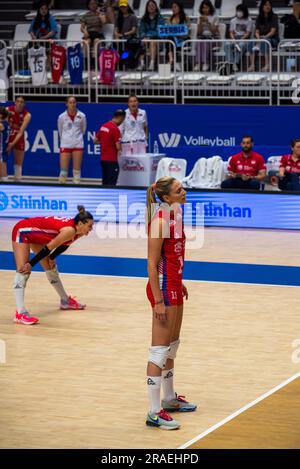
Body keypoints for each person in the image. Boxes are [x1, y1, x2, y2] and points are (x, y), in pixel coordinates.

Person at [145, 177, 196, 430]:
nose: (183, 191)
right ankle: (154, 413)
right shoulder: (161, 222)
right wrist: (158, 300)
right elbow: (152, 265)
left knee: (172, 346)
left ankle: (168, 398)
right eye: (179, 190)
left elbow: (173, 257)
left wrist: (179, 281)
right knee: (159, 350)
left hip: (173, 285)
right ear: (166, 198)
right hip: (163, 289)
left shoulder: (175, 215)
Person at [11, 205, 94, 325]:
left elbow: (64, 245)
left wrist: (52, 257)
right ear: (80, 223)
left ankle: (65, 301)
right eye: (90, 226)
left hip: (36, 236)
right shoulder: (69, 230)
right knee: (23, 271)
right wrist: (31, 264)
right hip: (23, 231)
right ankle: (20, 313)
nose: (91, 229)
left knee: (51, 268)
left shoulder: (79, 232)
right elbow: (49, 247)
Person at [57, 96, 87, 184]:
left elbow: (83, 130)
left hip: (78, 144)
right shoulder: (61, 117)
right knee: (63, 173)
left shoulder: (82, 116)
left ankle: (77, 192)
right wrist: (66, 139)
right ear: (66, 104)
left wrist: (76, 138)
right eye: (70, 102)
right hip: (65, 144)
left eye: (74, 102)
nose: (72, 104)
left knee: (77, 172)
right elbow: (60, 131)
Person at [94, 109, 126, 185]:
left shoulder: (103, 126)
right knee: (111, 183)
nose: (122, 122)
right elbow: (118, 147)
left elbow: (95, 141)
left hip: (103, 160)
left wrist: (106, 142)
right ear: (121, 118)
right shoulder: (115, 129)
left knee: (105, 181)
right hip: (112, 160)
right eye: (123, 120)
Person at [6, 96, 32, 182]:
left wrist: (12, 144)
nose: (19, 103)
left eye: (22, 102)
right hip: (7, 136)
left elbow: (21, 132)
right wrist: (7, 143)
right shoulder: (7, 110)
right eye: (18, 101)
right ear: (15, 102)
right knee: (2, 160)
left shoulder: (27, 115)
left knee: (18, 164)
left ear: (24, 104)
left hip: (18, 138)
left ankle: (17, 181)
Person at [248, 0, 279, 72]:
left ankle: (267, 65)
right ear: (262, 6)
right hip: (261, 38)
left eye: (269, 5)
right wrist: (259, 39)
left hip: (272, 39)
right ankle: (252, 65)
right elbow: (257, 31)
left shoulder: (274, 16)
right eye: (265, 5)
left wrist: (264, 38)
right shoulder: (259, 17)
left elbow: (272, 31)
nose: (268, 7)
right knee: (250, 43)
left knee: (265, 42)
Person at [224, 4, 253, 72]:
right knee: (227, 45)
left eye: (240, 11)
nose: (239, 12)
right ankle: (230, 63)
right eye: (238, 11)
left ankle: (236, 63)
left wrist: (241, 39)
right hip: (234, 37)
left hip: (244, 38)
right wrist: (233, 39)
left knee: (241, 45)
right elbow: (231, 32)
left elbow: (248, 33)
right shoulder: (233, 20)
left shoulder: (249, 20)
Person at [138, 0, 165, 71]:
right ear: (146, 8)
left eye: (153, 5)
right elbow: (141, 31)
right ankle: (142, 64)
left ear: (156, 7)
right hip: (146, 39)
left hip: (158, 40)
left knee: (152, 42)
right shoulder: (143, 19)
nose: (151, 7)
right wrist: (145, 37)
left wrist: (149, 37)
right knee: (141, 41)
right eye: (149, 6)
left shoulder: (160, 18)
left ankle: (152, 64)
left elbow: (159, 31)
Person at [194, 0, 219, 72]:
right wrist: (201, 23)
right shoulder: (200, 18)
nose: (205, 10)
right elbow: (199, 32)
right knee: (199, 41)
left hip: (213, 38)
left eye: (206, 8)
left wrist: (208, 22)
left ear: (210, 8)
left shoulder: (215, 17)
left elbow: (214, 31)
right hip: (202, 37)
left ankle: (205, 63)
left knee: (205, 42)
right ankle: (198, 63)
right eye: (203, 8)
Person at [167, 1, 191, 72]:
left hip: (184, 39)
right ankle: (173, 60)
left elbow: (188, 31)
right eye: (172, 7)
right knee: (169, 39)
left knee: (170, 41)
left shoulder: (185, 18)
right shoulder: (170, 19)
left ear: (180, 8)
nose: (173, 9)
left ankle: (172, 61)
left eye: (175, 7)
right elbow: (168, 31)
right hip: (173, 39)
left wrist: (180, 35)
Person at [0, 107, 9, 181]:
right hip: (4, 147)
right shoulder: (7, 123)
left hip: (2, 148)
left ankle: (5, 181)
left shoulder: (2, 125)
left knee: (2, 163)